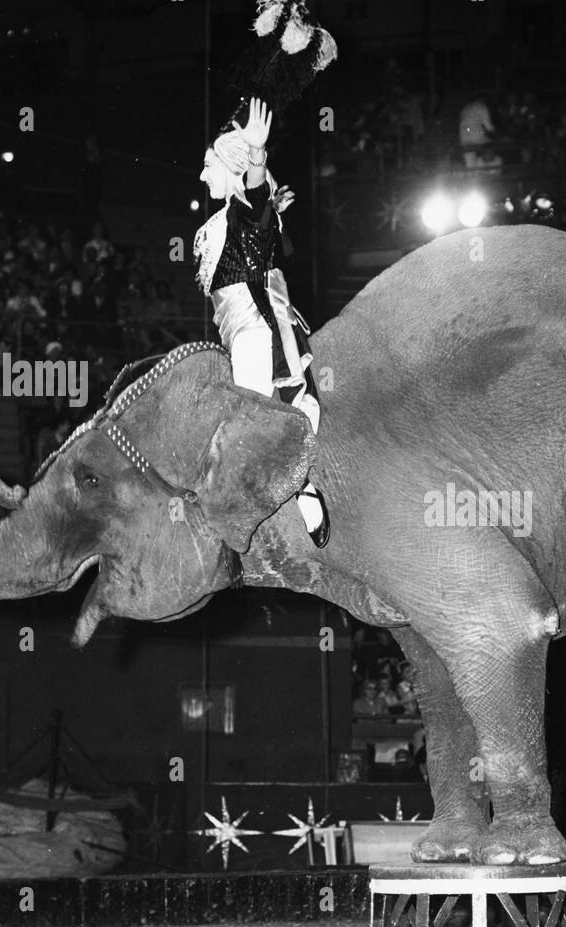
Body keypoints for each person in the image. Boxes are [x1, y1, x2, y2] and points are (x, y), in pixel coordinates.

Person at [193, 1, 337, 547]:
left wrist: (261, 175)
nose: (206, 168)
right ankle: (288, 45)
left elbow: (255, 205)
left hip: (264, 324)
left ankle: (283, 41)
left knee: (294, 408)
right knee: (279, 412)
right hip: (253, 327)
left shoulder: (238, 211)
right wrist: (261, 179)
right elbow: (252, 208)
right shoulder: (226, 218)